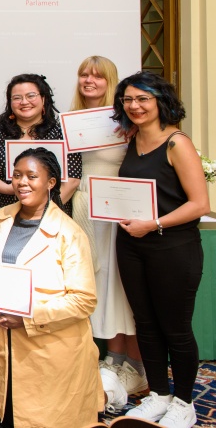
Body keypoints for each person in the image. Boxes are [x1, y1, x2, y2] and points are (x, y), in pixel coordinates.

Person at [111, 72, 209, 427]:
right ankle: (158, 395)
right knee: (146, 325)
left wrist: (153, 225)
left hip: (174, 247)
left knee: (175, 328)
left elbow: (200, 204)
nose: (135, 106)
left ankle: (184, 403)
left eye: (143, 99)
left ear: (160, 101)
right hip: (133, 246)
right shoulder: (132, 139)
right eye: (128, 100)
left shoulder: (176, 143)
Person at [0, 148, 102, 428]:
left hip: (53, 347)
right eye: (17, 175)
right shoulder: (1, 217)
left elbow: (84, 301)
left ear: (51, 183)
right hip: (7, 339)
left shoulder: (70, 233)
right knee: (10, 415)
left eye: (32, 176)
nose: (22, 182)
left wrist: (27, 317)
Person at [68, 56, 147, 412]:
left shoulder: (128, 121)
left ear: (110, 81)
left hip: (117, 208)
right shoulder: (69, 118)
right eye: (85, 74)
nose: (90, 80)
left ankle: (137, 366)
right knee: (96, 280)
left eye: (98, 76)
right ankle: (112, 358)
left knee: (122, 283)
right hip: (82, 206)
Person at [0, 73, 81, 229]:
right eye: (17, 98)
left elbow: (73, 178)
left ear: (43, 99)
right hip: (6, 210)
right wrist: (9, 189)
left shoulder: (61, 131)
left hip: (51, 212)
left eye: (31, 96)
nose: (24, 102)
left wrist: (44, 209)